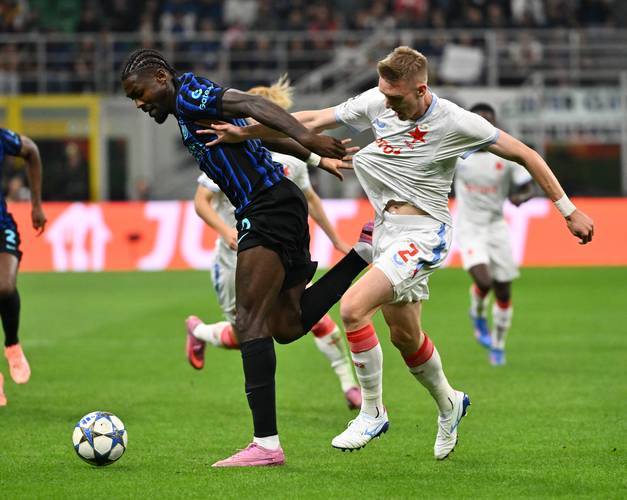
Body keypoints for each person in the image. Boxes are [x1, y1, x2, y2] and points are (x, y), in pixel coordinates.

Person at [198, 46, 594, 460]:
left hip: (423, 235)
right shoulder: (378, 99)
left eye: (395, 97)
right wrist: (245, 133)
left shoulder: (456, 121)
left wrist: (568, 210)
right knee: (406, 337)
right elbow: (311, 121)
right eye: (383, 94)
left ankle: (372, 412)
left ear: (421, 90)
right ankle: (450, 403)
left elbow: (526, 154)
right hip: (387, 232)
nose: (386, 103)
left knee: (353, 308)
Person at [121, 49, 372, 467]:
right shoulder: (188, 109)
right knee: (285, 325)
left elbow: (254, 104)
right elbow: (254, 131)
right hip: (280, 204)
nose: (138, 103)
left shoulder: (190, 95)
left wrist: (310, 138)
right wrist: (312, 156)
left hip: (266, 207)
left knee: (249, 321)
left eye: (139, 93)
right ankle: (362, 253)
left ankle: (266, 445)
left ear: (161, 77)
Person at [186, 76, 361, 410]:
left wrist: (337, 239)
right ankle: (200, 332)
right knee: (248, 334)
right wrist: (225, 231)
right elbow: (201, 201)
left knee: (308, 316)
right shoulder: (231, 149)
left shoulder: (293, 158)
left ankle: (349, 385)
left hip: (278, 249)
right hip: (234, 259)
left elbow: (311, 199)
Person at [454, 103, 534, 366]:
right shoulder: (456, 152)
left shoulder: (505, 154)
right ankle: (477, 314)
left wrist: (521, 197)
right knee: (484, 281)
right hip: (469, 226)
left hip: (497, 227)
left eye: (488, 121)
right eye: (478, 120)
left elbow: (527, 185)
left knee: (503, 290)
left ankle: (498, 345)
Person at [0, 128, 46, 407]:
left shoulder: (2, 138)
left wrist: (36, 205)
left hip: (1, 225)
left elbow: (31, 151)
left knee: (4, 287)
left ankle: (12, 345)